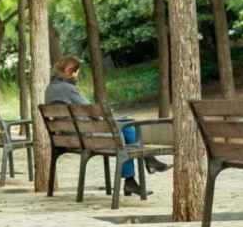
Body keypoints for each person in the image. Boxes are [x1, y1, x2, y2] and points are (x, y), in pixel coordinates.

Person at [45, 56, 170, 195]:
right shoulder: (67, 88)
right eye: (77, 72)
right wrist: (110, 117)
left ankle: (136, 176)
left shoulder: (50, 89)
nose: (77, 75)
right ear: (69, 70)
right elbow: (92, 111)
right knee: (126, 128)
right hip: (86, 137)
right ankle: (144, 165)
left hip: (68, 137)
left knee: (125, 127)